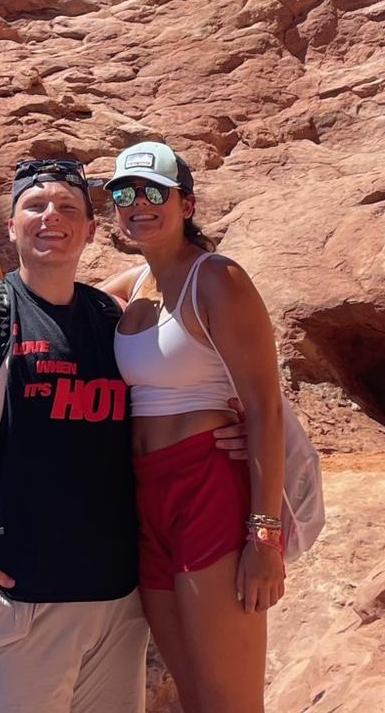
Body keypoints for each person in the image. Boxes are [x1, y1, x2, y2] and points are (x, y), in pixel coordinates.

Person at [0, 157, 248, 712]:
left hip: (116, 607)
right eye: (35, 205)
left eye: (68, 207)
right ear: (11, 226)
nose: (51, 216)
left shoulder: (114, 321)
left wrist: (233, 425)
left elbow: (179, 367)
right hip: (18, 606)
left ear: (92, 230)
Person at [96, 141, 285, 713]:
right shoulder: (133, 288)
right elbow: (48, 303)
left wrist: (264, 536)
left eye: (154, 191)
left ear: (187, 203)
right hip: (147, 495)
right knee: (193, 697)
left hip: (209, 489)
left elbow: (265, 405)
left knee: (230, 702)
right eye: (123, 193)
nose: (137, 204)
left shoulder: (217, 279)